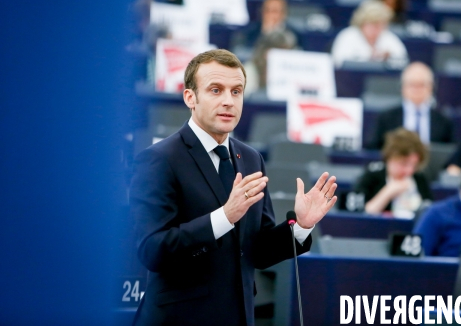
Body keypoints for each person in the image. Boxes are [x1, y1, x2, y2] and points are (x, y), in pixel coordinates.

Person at [130, 49, 338, 325]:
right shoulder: (159, 160)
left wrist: (301, 226)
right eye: (216, 90)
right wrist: (223, 217)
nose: (228, 101)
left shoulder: (251, 158)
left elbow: (258, 251)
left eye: (236, 91)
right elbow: (152, 250)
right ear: (190, 97)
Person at [367, 61, 454, 149]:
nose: (417, 90)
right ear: (402, 87)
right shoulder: (386, 119)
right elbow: (374, 149)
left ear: (431, 87)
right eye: (412, 85)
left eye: (421, 85)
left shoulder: (443, 121)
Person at [357, 128, 432, 218]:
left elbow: (429, 211)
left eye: (414, 165)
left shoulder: (419, 178)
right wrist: (388, 192)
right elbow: (361, 215)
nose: (409, 170)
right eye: (403, 163)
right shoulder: (371, 176)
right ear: (390, 157)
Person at [331, 0, 409, 68]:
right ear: (362, 22)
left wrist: (389, 59)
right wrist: (369, 57)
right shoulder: (347, 36)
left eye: (381, 24)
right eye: (373, 23)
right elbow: (338, 63)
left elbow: (403, 62)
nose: (377, 28)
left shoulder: (389, 38)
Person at [231, 0, 300, 53]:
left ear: (284, 14)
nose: (270, 15)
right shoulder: (249, 33)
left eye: (274, 11)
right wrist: (267, 33)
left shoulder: (295, 34)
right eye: (267, 10)